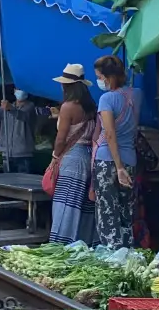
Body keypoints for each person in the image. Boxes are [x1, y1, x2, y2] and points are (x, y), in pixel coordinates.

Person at [92, 55, 143, 249]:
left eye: (99, 76)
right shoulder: (137, 94)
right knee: (126, 212)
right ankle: (127, 252)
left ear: (107, 77)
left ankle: (112, 257)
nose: (99, 80)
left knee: (107, 212)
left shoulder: (106, 99)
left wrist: (118, 167)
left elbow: (110, 134)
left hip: (107, 161)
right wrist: (123, 167)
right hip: (130, 159)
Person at [49, 64, 98, 246]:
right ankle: (83, 243)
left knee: (66, 204)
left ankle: (61, 244)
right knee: (84, 204)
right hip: (87, 157)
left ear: (66, 86)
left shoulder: (67, 107)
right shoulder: (91, 106)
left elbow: (61, 139)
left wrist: (55, 156)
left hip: (72, 158)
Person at [0, 88, 57, 173]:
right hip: (7, 155)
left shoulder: (30, 107)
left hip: (23, 156)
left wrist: (10, 109)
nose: (20, 91)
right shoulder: (6, 108)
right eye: (18, 89)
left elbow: (22, 116)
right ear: (14, 91)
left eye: (22, 89)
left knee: (23, 184)